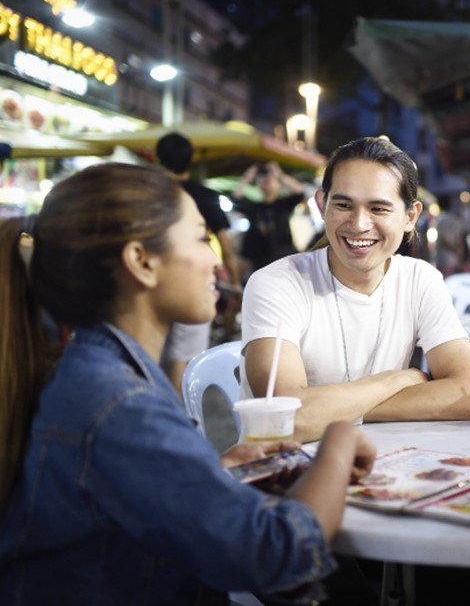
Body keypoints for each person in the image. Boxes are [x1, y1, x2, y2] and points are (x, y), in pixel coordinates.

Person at [0, 163, 376, 603]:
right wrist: (340, 440)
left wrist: (210, 473)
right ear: (142, 261)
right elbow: (276, 553)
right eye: (201, 238)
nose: (217, 260)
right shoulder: (119, 404)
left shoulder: (103, 375)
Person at [241, 137, 470, 442]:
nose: (358, 224)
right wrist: (397, 380)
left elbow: (468, 394)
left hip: (388, 462)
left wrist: (331, 408)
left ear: (411, 217)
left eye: (379, 209)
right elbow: (288, 419)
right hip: (290, 471)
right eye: (343, 205)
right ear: (321, 205)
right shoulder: (278, 283)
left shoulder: (420, 280)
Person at [155, 132, 241, 393]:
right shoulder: (205, 197)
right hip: (192, 283)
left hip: (152, 283)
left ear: (158, 158)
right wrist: (235, 282)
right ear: (190, 161)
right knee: (185, 359)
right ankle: (178, 421)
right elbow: (226, 248)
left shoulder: (149, 195)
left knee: (153, 354)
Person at [232, 160, 307, 276]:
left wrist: (279, 174)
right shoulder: (255, 208)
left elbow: (300, 191)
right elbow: (236, 199)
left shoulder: (284, 204)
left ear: (279, 185)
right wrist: (248, 177)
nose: (267, 181)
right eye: (263, 179)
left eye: (271, 179)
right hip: (260, 264)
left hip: (284, 261)